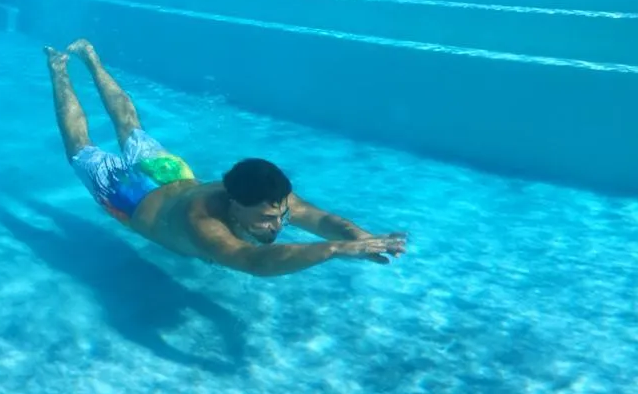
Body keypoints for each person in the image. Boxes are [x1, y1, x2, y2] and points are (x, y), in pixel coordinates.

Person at [46, 40, 407, 278]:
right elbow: (254, 261)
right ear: (233, 202)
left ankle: (92, 59)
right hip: (129, 198)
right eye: (266, 219)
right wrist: (334, 249)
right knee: (80, 146)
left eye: (280, 215)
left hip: (169, 174)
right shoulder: (202, 222)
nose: (277, 226)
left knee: (129, 124)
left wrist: (363, 238)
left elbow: (324, 219)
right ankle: (59, 68)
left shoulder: (271, 198)